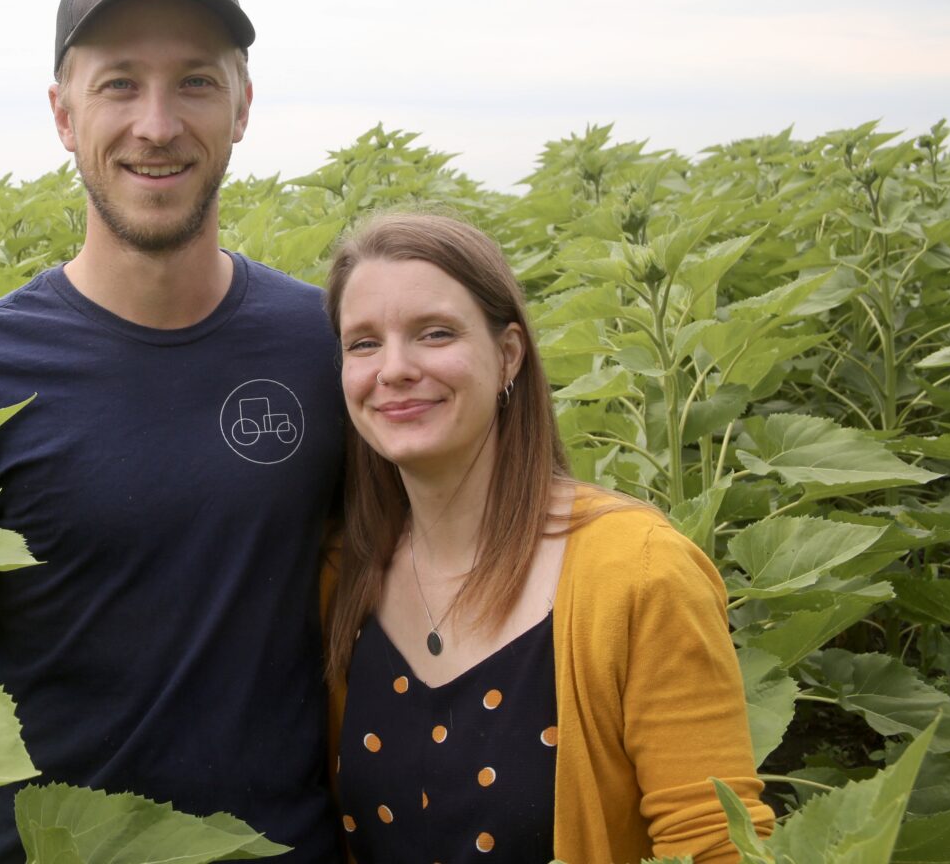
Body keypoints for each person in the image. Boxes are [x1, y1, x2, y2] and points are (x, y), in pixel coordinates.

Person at [0, 0, 345, 864]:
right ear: (62, 112)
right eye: (119, 82)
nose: (156, 124)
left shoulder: (325, 344)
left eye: (196, 82)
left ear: (244, 106)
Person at [321, 212, 774, 864]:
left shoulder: (639, 574)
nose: (393, 368)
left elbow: (716, 844)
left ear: (508, 354)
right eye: (363, 343)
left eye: (435, 333)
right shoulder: (343, 576)